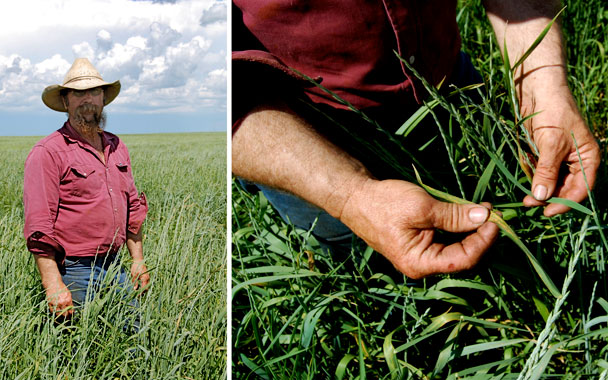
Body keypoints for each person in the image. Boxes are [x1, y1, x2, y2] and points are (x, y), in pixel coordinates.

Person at [231, 1, 601, 278]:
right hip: (306, 143)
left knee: (501, 224)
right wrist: (349, 198)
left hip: (451, 86)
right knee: (362, 271)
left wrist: (543, 87)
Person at [23, 58, 150, 319]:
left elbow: (133, 209)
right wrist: (53, 285)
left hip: (116, 266)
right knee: (80, 350)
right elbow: (39, 225)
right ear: (66, 101)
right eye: (78, 93)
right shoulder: (48, 152)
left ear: (103, 98)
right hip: (75, 271)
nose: (87, 100)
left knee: (134, 338)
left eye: (94, 91)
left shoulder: (117, 147)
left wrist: (137, 260)